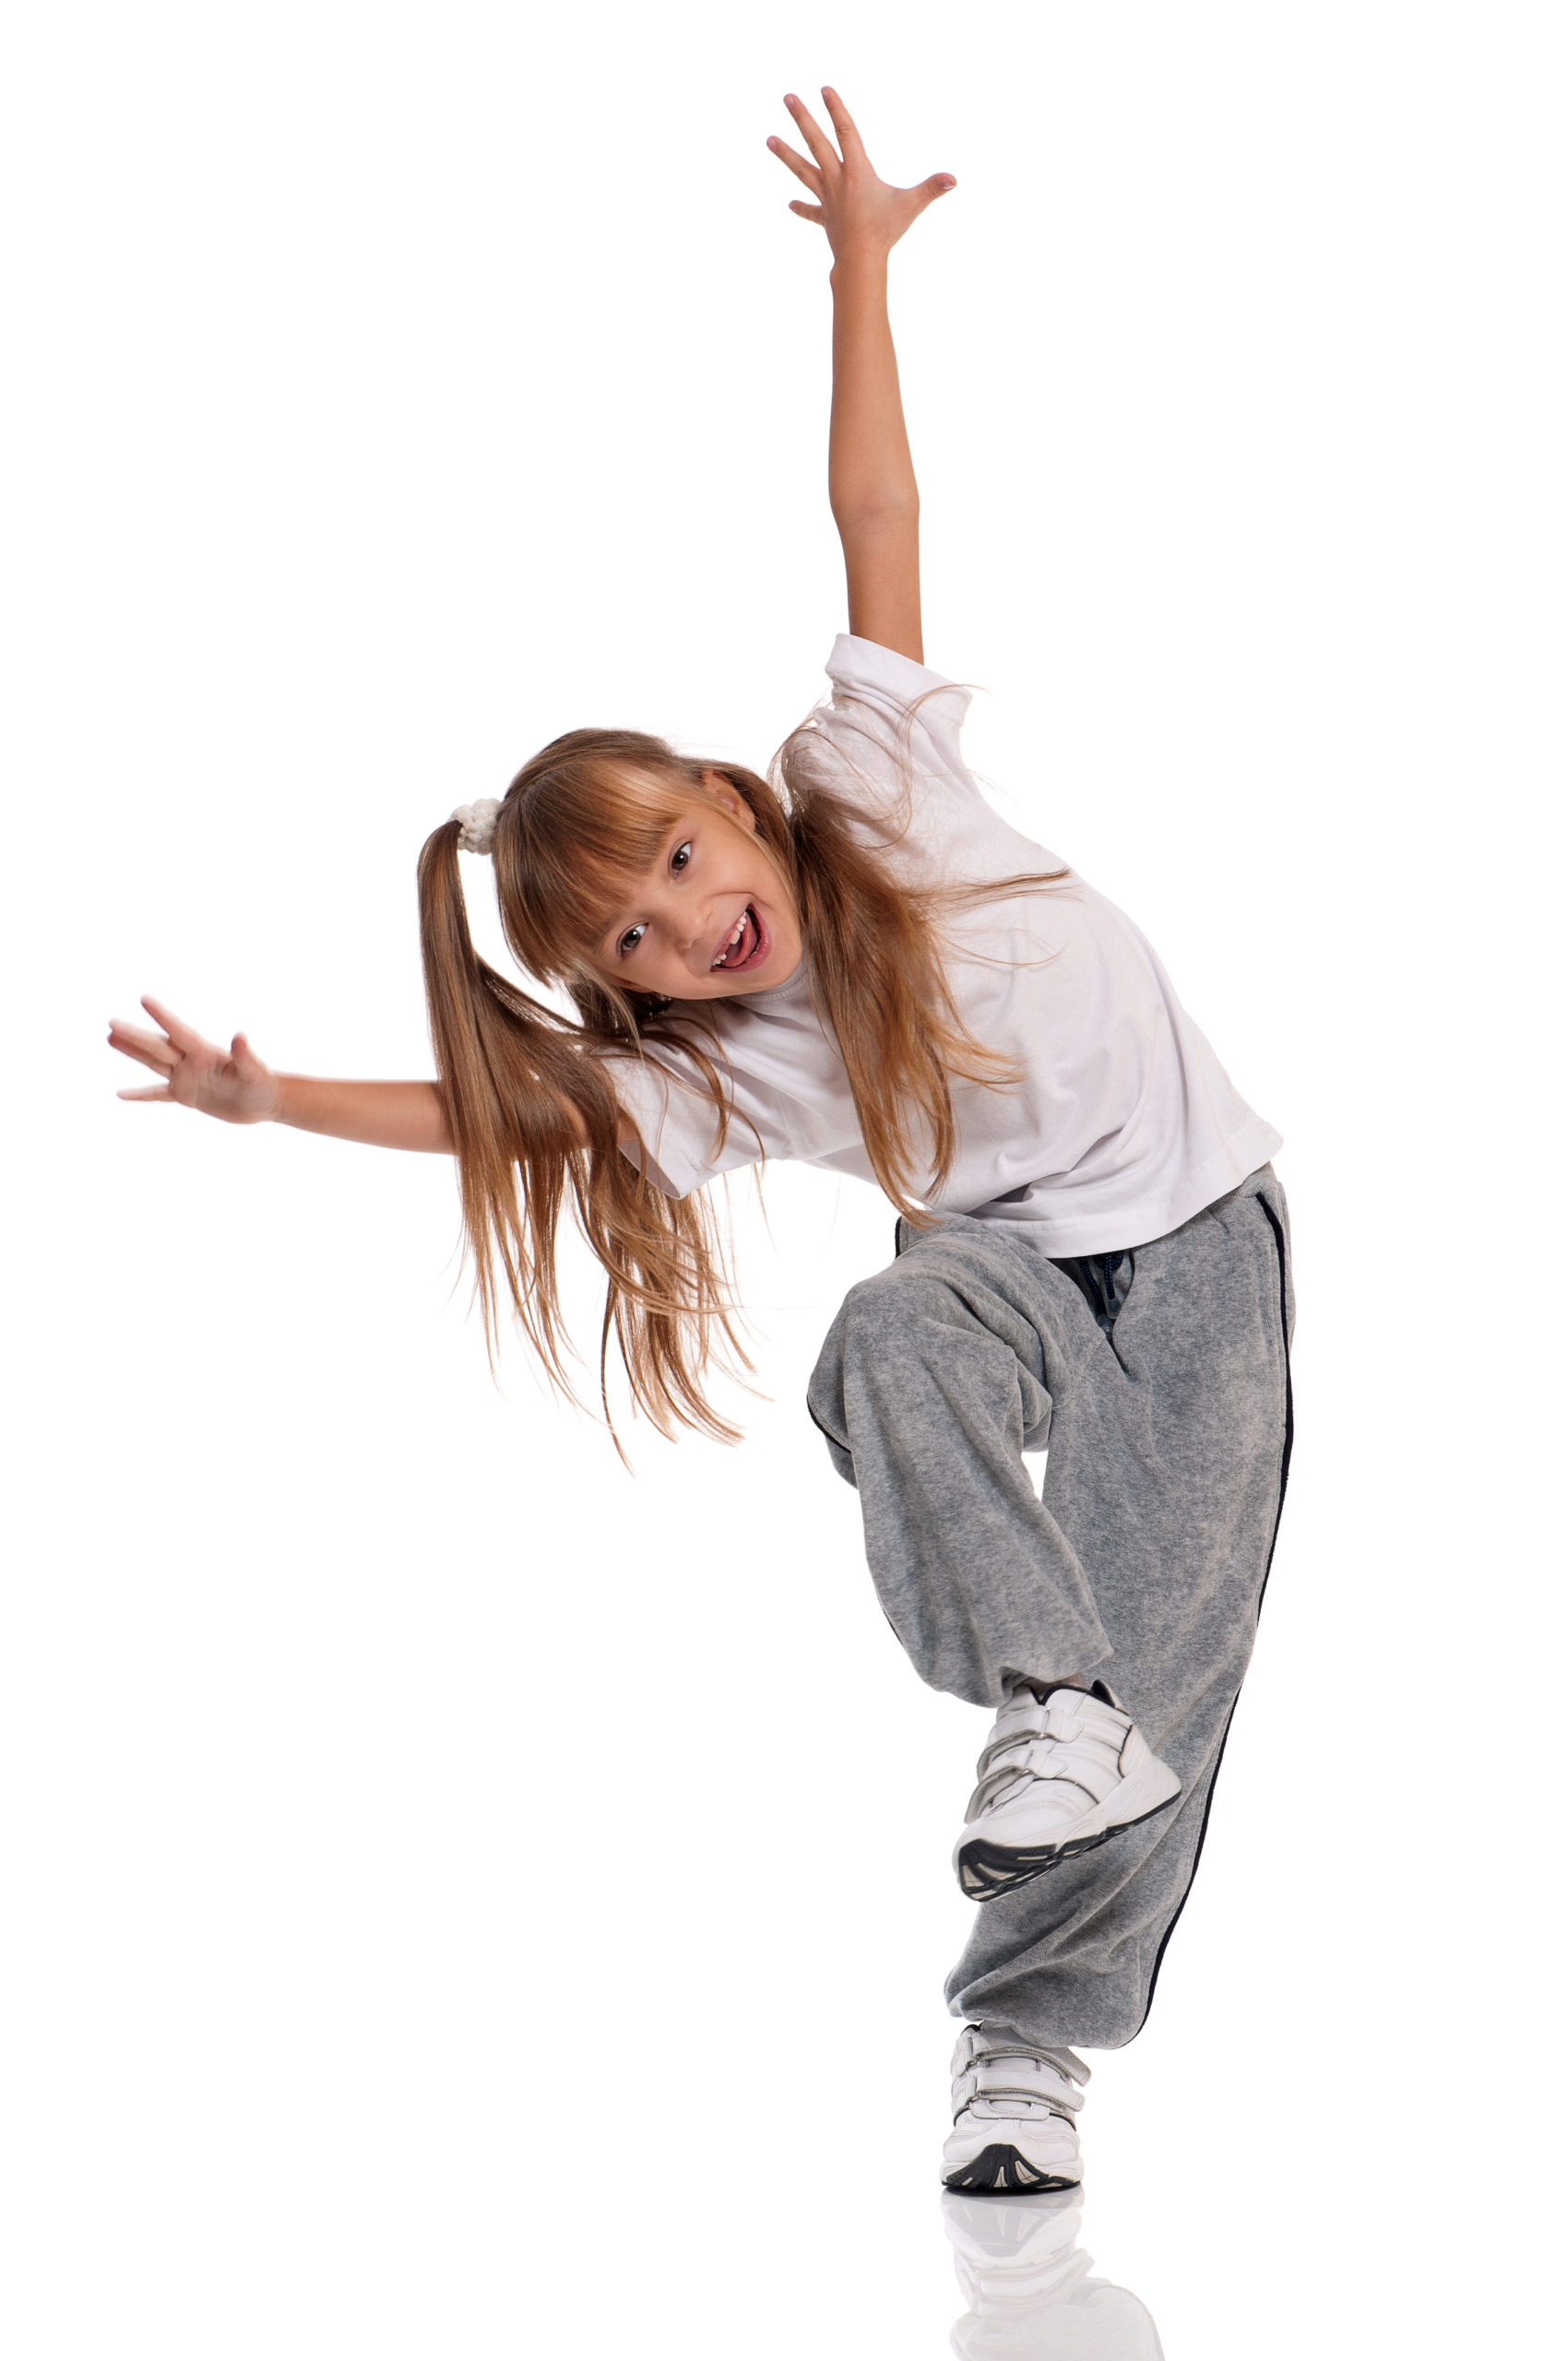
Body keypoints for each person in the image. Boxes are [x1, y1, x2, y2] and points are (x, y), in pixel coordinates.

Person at [109, 89, 1293, 2194]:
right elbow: (511, 1119)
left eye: (674, 857)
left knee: (1172, 1693)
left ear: (732, 798)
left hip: (1203, 1249)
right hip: (1009, 1271)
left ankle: (1033, 2040)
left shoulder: (871, 785)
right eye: (635, 944)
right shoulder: (719, 1066)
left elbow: (873, 512)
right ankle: (1038, 1689)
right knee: (885, 1335)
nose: (687, 923)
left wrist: (856, 264)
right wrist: (271, 1096)